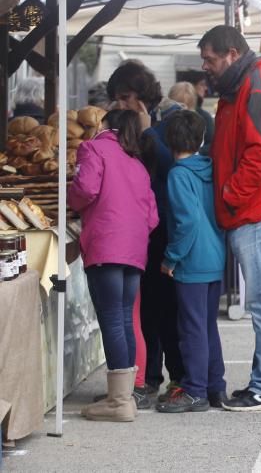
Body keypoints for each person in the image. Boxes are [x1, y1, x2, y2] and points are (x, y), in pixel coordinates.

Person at [199, 24, 261, 411]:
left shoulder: (256, 86)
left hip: (256, 211)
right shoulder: (249, 84)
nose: (206, 66)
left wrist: (230, 195)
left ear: (230, 53)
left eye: (210, 59)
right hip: (256, 210)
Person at [69, 109, 159, 422]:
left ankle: (118, 401)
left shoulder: (93, 148)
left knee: (111, 319)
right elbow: (152, 216)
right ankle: (125, 397)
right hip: (134, 249)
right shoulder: (137, 164)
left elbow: (85, 189)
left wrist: (68, 195)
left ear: (107, 125)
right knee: (123, 318)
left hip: (106, 244)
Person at [107, 60, 184, 403]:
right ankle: (149, 378)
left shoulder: (170, 121)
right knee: (148, 309)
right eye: (116, 99)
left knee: (168, 309)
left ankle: (178, 378)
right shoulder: (120, 127)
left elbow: (174, 166)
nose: (120, 105)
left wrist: (147, 130)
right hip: (141, 228)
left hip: (168, 227)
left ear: (142, 95)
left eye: (125, 97)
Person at [157, 110, 227, 413]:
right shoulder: (210, 169)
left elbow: (186, 223)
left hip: (192, 262)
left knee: (192, 328)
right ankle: (215, 387)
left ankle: (195, 389)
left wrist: (170, 258)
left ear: (169, 139)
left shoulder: (178, 175)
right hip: (215, 257)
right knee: (207, 326)